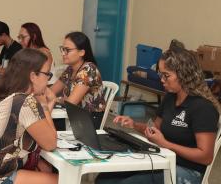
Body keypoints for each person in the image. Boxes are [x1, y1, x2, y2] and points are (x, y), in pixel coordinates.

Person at [96, 48, 221, 184]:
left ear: (184, 74)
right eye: (160, 74)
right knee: (105, 178)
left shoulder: (203, 107)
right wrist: (134, 124)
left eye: (166, 75)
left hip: (188, 171)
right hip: (163, 159)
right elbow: (154, 129)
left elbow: (206, 156)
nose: (161, 80)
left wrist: (165, 144)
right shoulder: (170, 98)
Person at [0, 48, 58, 184]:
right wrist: (44, 105)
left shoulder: (8, 96)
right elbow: (51, 143)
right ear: (33, 76)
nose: (48, 80)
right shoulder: (24, 101)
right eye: (47, 74)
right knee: (64, 180)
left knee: (43, 170)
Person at [50, 31, 105, 129]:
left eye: (67, 50)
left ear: (81, 52)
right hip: (72, 116)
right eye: (62, 49)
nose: (63, 54)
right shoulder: (70, 69)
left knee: (46, 125)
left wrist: (56, 99)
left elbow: (70, 103)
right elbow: (52, 91)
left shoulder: (88, 70)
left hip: (88, 120)